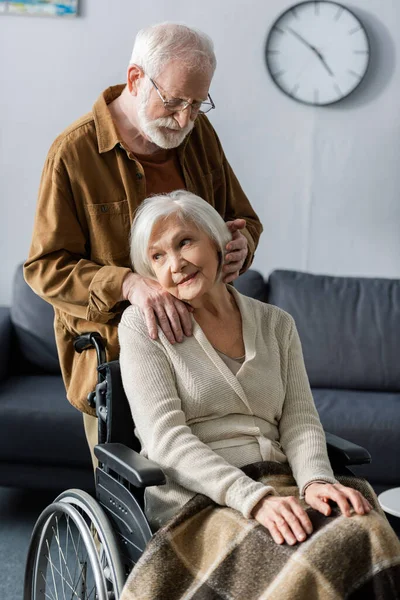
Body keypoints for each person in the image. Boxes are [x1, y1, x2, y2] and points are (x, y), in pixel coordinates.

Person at [118, 191, 400, 599]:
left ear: (218, 243)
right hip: (202, 499)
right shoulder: (142, 328)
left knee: (367, 531)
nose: (175, 264)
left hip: (283, 479)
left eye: (184, 242)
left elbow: (300, 420)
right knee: (303, 556)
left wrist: (315, 480)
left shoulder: (276, 324)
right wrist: (253, 499)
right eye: (157, 258)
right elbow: (166, 442)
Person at [23, 23, 262, 456]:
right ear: (136, 79)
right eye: (173, 102)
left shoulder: (198, 135)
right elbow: (45, 269)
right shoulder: (74, 154)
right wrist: (129, 284)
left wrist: (242, 247)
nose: (185, 119)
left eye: (197, 103)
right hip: (121, 360)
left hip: (208, 355)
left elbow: (242, 219)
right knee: (136, 507)